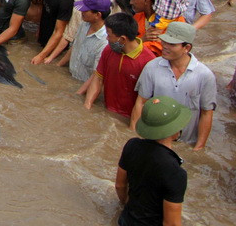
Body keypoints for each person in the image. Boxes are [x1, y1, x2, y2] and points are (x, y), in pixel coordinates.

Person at [130, 22, 216, 152]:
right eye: (164, 42)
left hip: (186, 142)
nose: (164, 47)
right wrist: (133, 135)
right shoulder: (151, 67)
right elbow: (141, 102)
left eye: (172, 44)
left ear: (187, 47)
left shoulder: (204, 75)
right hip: (156, 140)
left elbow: (206, 113)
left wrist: (199, 147)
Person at [116, 96, 190, 226]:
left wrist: (126, 204)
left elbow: (120, 186)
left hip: (125, 220)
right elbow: (172, 223)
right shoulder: (175, 172)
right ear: (175, 132)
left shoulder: (131, 145)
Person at [83, 13, 156, 118]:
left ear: (122, 39)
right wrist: (87, 105)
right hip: (106, 111)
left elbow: (144, 100)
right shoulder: (108, 50)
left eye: (109, 35)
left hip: (128, 117)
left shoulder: (148, 61)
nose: (107, 38)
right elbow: (98, 79)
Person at [68, 0, 110, 83]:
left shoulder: (104, 41)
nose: (81, 11)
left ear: (97, 15)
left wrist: (77, 94)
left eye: (85, 10)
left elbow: (97, 77)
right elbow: (75, 47)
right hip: (70, 76)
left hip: (83, 84)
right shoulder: (84, 24)